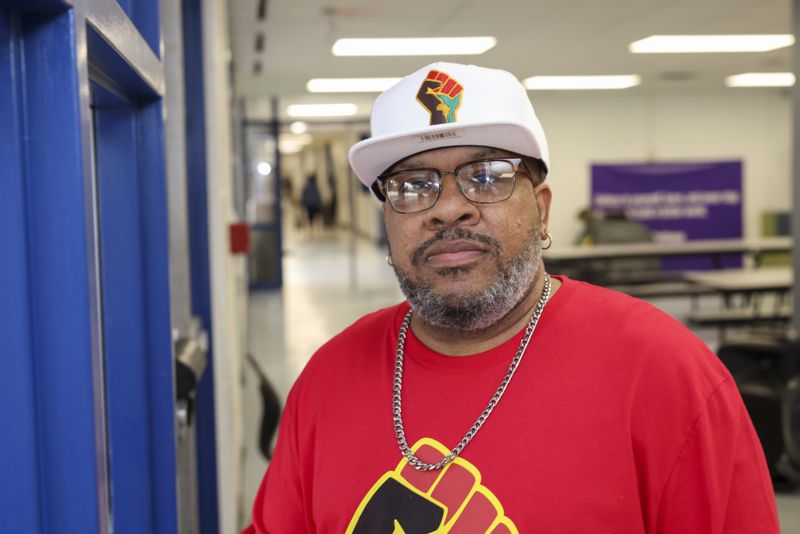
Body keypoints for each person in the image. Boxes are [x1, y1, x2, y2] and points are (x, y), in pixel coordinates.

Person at [243, 62, 779, 533]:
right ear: (387, 220)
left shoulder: (665, 372)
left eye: (486, 175)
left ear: (542, 209)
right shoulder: (329, 375)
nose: (448, 208)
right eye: (412, 185)